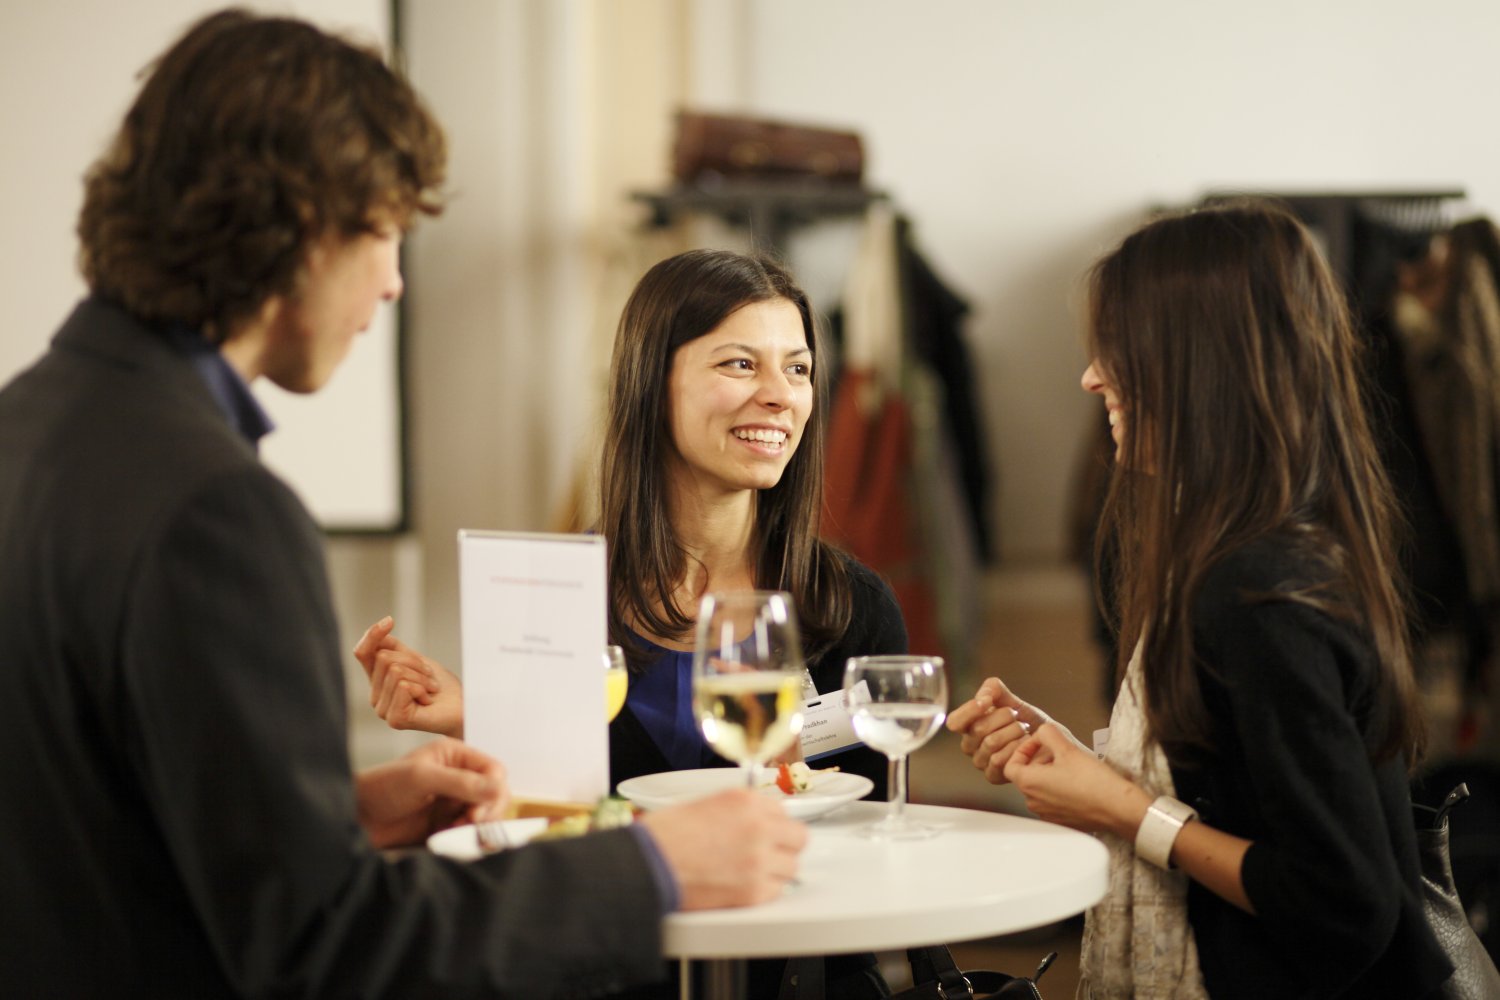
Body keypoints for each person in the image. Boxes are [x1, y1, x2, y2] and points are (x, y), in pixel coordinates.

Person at [0, 11, 806, 998]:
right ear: (291, 225)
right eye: (381, 231)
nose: (391, 283)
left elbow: (80, 819)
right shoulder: (217, 511)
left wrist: (339, 813)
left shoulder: (25, 428)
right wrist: (655, 868)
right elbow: (329, 950)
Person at [358, 248, 908, 997]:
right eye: (741, 365)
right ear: (654, 384)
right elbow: (557, 839)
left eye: (800, 368)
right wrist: (484, 720)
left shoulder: (851, 609)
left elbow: (870, 846)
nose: (782, 396)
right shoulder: (553, 599)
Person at [946, 201, 1453, 998]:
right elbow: (1244, 788)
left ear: (1197, 363)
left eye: (1118, 346)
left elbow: (1343, 907)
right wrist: (1093, 768)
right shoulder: (1254, 549)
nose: (1091, 375)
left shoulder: (1255, 590)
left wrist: (1121, 807)